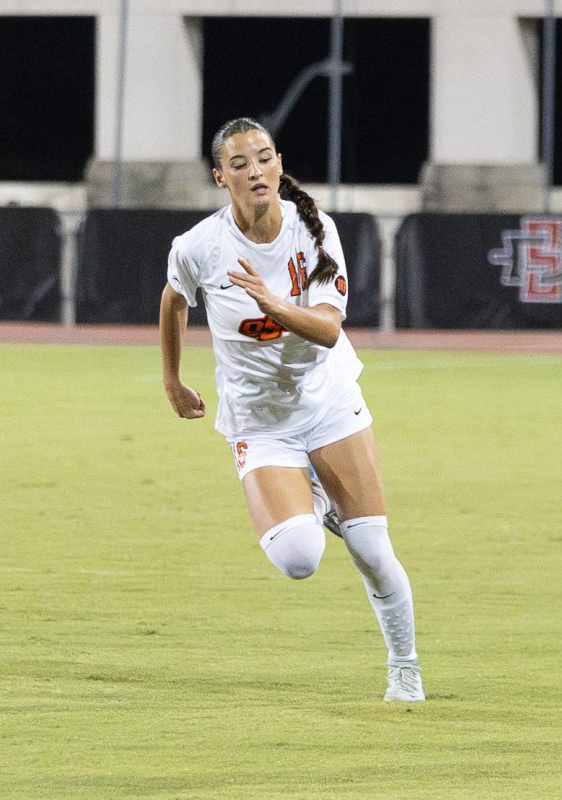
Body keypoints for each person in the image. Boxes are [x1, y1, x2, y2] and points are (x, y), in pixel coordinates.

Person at [159, 117, 423, 702]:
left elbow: (329, 330)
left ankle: (404, 666)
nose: (255, 171)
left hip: (329, 404)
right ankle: (316, 500)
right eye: (240, 163)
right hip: (259, 421)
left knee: (373, 551)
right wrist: (173, 380)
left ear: (279, 164)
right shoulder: (199, 246)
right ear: (220, 177)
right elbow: (174, 298)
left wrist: (272, 302)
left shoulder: (315, 229)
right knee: (300, 558)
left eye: (264, 157)